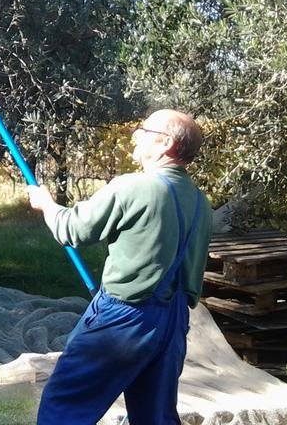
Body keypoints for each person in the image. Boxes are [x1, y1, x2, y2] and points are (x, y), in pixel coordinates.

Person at [26, 109, 213, 425]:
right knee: (155, 418)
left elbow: (72, 230)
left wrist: (47, 204)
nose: (135, 138)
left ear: (166, 142)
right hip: (174, 324)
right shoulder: (201, 203)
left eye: (143, 131)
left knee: (65, 405)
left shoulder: (136, 187)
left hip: (123, 317)